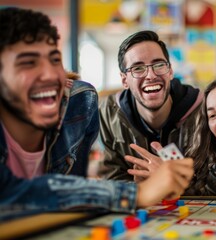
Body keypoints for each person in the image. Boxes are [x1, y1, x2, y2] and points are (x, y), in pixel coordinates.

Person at [0, 7, 194, 221]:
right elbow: (12, 192)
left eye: (54, 59)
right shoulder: (107, 111)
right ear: (124, 79)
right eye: (29, 62)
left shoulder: (78, 102)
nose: (49, 74)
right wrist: (137, 193)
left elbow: (73, 197)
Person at [99, 30, 202, 181]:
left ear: (170, 71)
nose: (151, 75)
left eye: (159, 64)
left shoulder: (203, 110)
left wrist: (169, 181)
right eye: (138, 68)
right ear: (124, 80)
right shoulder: (109, 113)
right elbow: (112, 180)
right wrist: (142, 190)